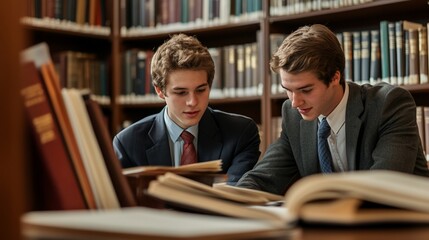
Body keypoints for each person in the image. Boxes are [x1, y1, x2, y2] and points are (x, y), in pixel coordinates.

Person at [236, 24, 429, 195]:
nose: (295, 102)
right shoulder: (293, 114)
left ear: (335, 77)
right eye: (288, 90)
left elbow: (385, 185)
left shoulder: (389, 104)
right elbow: (263, 177)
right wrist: (230, 202)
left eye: (306, 90)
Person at [113, 33, 261, 185]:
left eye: (200, 90)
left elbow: (236, 196)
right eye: (181, 92)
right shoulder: (128, 144)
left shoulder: (240, 133)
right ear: (160, 91)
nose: (192, 102)